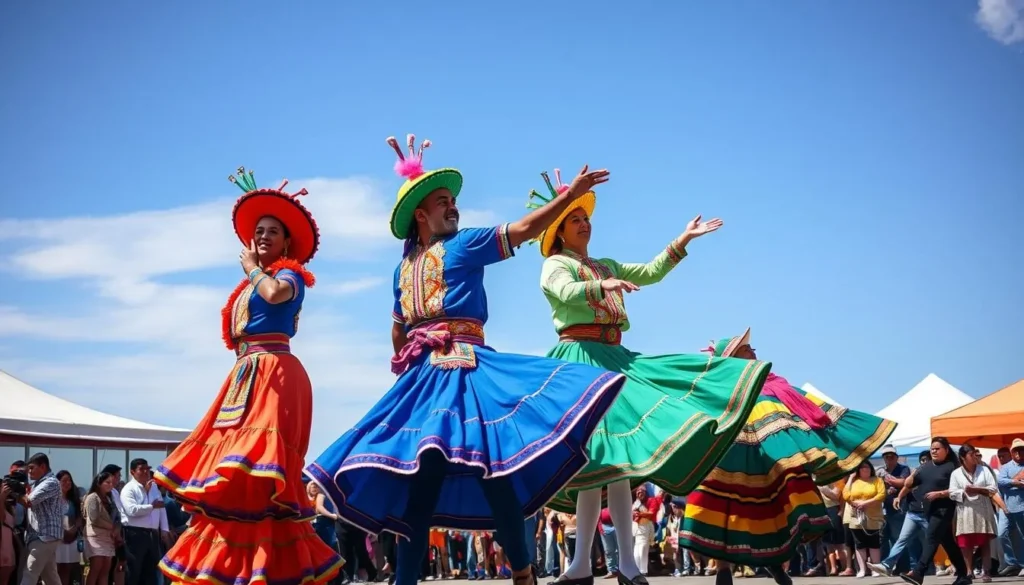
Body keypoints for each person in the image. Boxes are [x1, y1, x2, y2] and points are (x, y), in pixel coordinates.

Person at [305, 135, 627, 585]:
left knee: (494, 475)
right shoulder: (403, 269)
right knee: (421, 483)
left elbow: (523, 230)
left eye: (453, 200)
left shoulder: (466, 244)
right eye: (443, 202)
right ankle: (407, 582)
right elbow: (398, 324)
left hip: (468, 370)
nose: (453, 207)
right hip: (424, 379)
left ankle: (522, 571)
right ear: (421, 214)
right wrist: (405, 359)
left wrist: (569, 197)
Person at [522, 170, 772, 585]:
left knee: (616, 462)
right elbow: (565, 293)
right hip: (581, 360)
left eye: (586, 217)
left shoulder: (603, 263)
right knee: (600, 460)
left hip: (616, 358)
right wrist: (604, 286)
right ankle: (590, 564)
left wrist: (683, 240)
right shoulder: (555, 264)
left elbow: (651, 272)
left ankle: (612, 565)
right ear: (559, 232)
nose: (584, 223)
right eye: (574, 219)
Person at [153, 168, 343, 585]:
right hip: (246, 375)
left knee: (260, 467)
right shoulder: (246, 286)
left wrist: (254, 270)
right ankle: (241, 569)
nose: (263, 236)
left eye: (273, 231)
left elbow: (275, 296)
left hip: (275, 372)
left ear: (287, 242)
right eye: (259, 230)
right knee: (233, 472)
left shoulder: (289, 274)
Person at [679, 329, 897, 585]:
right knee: (723, 510)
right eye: (747, 349)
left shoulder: (770, 382)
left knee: (768, 511)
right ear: (734, 356)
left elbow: (805, 408)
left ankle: (774, 567)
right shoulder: (720, 385)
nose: (754, 352)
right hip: (729, 454)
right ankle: (725, 570)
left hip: (765, 457)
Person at [898, 437, 970, 585]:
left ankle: (918, 572)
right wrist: (913, 474)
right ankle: (964, 575)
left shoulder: (953, 467)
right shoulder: (925, 467)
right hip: (929, 511)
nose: (934, 451)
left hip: (944, 509)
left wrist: (940, 493)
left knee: (931, 537)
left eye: (937, 448)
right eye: (932, 449)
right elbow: (908, 484)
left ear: (946, 450)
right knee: (948, 543)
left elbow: (961, 488)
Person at [948, 444, 1000, 582]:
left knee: (984, 541)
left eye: (976, 454)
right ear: (963, 457)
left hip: (983, 509)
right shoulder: (956, 473)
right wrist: (964, 492)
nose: (975, 457)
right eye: (971, 455)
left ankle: (986, 571)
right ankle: (969, 571)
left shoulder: (984, 470)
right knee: (966, 542)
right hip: (965, 511)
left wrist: (978, 489)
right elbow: (952, 492)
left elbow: (993, 488)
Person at [17, 453, 64, 585]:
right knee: (50, 577)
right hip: (42, 536)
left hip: (44, 536)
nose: (29, 472)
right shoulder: (37, 484)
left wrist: (15, 493)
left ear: (43, 467)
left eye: (32, 468)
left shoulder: (51, 482)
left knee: (30, 572)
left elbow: (29, 501)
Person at [842, 461, 886, 576]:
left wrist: (866, 503)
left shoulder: (877, 480)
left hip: (873, 516)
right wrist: (851, 479)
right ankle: (862, 569)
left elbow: (881, 495)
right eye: (862, 467)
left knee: (874, 542)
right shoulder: (854, 481)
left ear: (871, 468)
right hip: (856, 517)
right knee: (859, 543)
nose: (865, 469)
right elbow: (845, 495)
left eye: (867, 467)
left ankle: (875, 569)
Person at [83, 472, 120, 585]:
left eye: (111, 482)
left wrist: (117, 528)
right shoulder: (92, 497)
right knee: (96, 568)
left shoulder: (110, 499)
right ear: (99, 483)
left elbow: (117, 517)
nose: (110, 485)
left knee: (105, 570)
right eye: (107, 482)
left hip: (108, 538)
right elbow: (94, 518)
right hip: (95, 537)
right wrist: (112, 526)